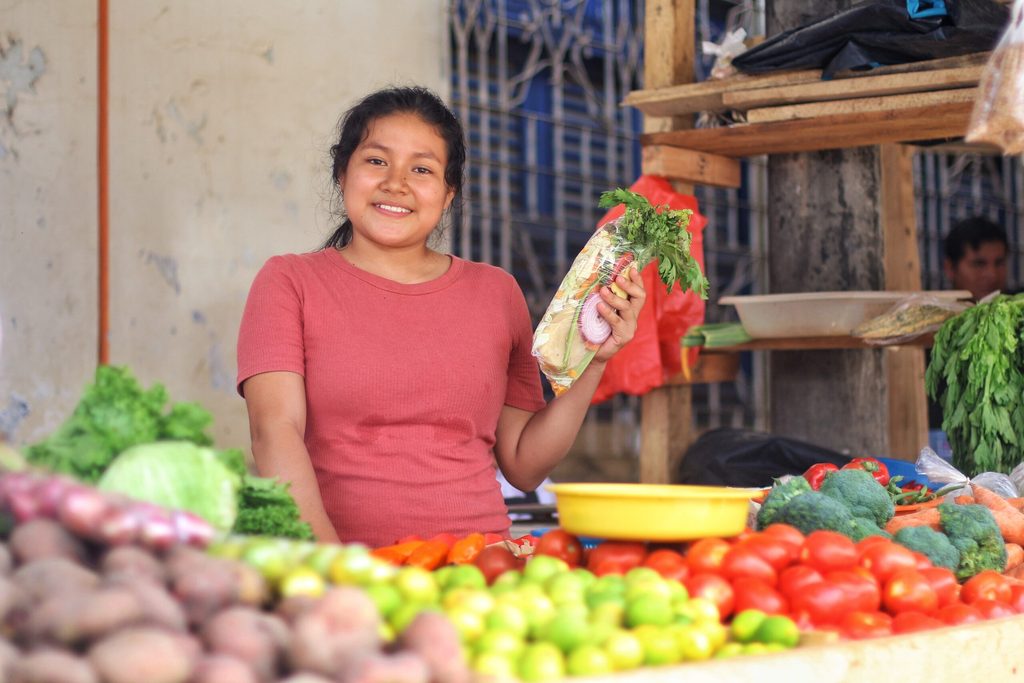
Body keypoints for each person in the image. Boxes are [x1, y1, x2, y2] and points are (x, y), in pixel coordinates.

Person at [236, 86, 646, 547]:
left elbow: (524, 465)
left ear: (449, 193)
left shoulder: (496, 292)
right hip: (344, 566)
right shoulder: (290, 282)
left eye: (422, 169)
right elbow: (273, 432)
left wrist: (594, 361)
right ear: (342, 172)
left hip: (480, 564)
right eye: (376, 160)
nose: (396, 183)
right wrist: (335, 568)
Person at [942, 216, 1010, 301]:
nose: (992, 275)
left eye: (999, 263)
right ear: (950, 268)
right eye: (979, 264)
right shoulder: (930, 307)